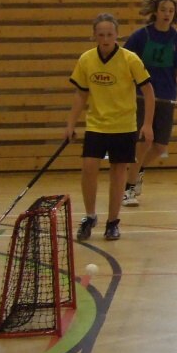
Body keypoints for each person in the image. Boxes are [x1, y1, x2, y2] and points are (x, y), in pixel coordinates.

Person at [65, 13, 155, 242]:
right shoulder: (86, 59)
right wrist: (71, 123)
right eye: (101, 35)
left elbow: (148, 92)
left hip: (123, 125)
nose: (105, 39)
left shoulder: (130, 59)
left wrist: (147, 125)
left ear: (117, 35)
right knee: (89, 167)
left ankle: (113, 222)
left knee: (118, 173)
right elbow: (81, 94)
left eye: (109, 34)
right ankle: (90, 216)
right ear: (94, 36)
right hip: (96, 124)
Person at [122, 0, 177, 206]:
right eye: (163, 10)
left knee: (160, 146)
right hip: (142, 97)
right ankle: (128, 188)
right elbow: (123, 64)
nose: (167, 14)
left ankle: (137, 170)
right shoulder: (140, 36)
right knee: (143, 142)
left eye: (171, 10)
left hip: (166, 97)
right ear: (155, 12)